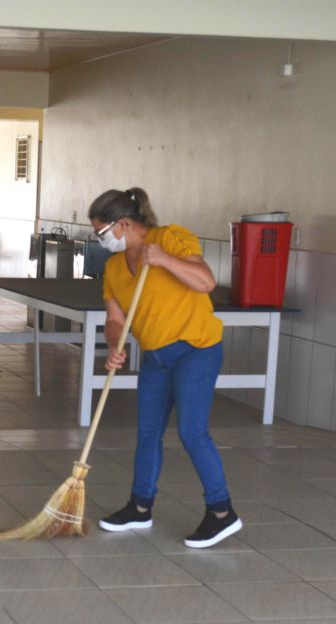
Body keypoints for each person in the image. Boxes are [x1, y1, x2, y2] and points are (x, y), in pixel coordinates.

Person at [90, 187, 243, 548]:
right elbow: (115, 318)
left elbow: (206, 282)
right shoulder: (114, 267)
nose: (100, 240)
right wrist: (114, 346)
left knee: (192, 433)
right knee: (147, 434)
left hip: (196, 350)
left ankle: (222, 513)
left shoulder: (170, 238)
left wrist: (163, 260)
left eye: (101, 232)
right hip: (156, 357)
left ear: (123, 223)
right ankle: (140, 507)